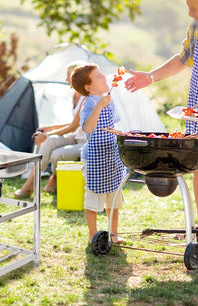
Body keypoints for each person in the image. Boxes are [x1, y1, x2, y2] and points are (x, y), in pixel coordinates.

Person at [124, 0, 198, 241]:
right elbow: (183, 58)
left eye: (194, 8)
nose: (190, 14)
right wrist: (150, 77)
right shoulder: (197, 25)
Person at [71, 64, 127, 243]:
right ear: (88, 87)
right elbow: (87, 128)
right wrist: (99, 107)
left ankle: (113, 233)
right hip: (95, 157)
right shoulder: (89, 103)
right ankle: (93, 234)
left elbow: (111, 126)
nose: (105, 78)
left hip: (111, 154)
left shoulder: (108, 99)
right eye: (99, 76)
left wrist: (120, 135)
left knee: (114, 198)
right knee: (93, 198)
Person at [14, 63, 87, 198]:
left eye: (68, 76)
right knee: (51, 142)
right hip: (75, 137)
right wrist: (51, 129)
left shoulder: (85, 97)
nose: (66, 80)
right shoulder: (75, 95)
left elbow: (74, 126)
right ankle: (30, 184)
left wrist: (46, 134)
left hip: (85, 142)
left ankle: (54, 177)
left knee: (56, 154)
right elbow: (74, 123)